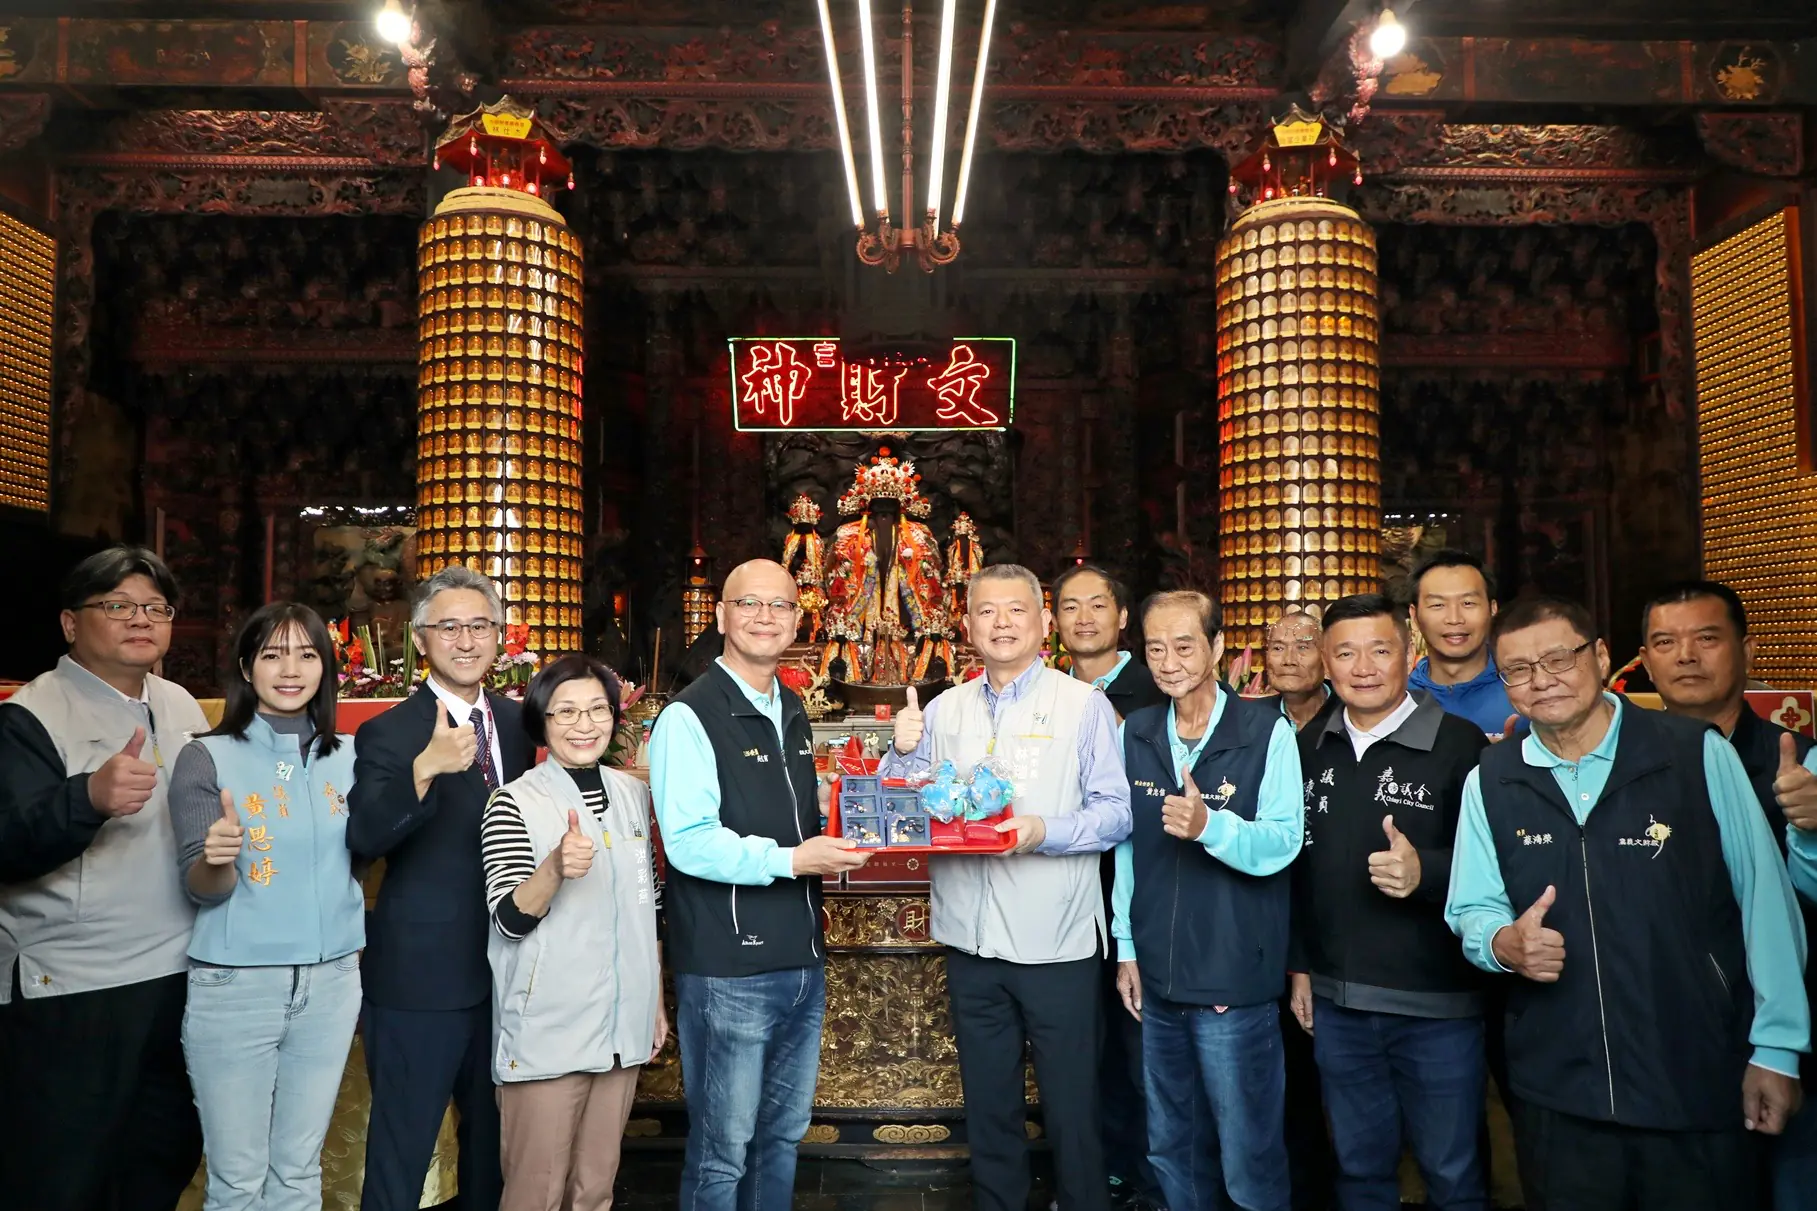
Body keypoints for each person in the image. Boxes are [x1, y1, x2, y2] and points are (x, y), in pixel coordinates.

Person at [1446, 595, 1810, 1210]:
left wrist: (1778, 1050)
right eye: (1518, 670)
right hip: (1558, 1090)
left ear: (1601, 657)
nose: (1541, 680)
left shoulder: (1693, 753)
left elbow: (1765, 905)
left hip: (1695, 1074)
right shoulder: (1493, 775)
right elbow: (1472, 906)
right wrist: (1503, 943)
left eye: (1558, 659)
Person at [884, 564, 1132, 1211]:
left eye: (1016, 610)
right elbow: (896, 806)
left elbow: (1117, 813)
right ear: (967, 624)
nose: (1001, 623)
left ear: (1043, 623)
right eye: (987, 611)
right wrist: (902, 752)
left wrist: (1044, 830)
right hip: (972, 941)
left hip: (1057, 942)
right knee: (989, 1107)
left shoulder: (1082, 705)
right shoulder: (943, 708)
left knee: (1072, 1107)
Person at [648, 559, 871, 1211]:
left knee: (781, 1138)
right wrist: (794, 859)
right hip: (729, 967)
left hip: (800, 959)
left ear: (797, 621)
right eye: (749, 603)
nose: (765, 617)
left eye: (780, 606)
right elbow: (689, 842)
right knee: (723, 1150)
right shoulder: (689, 716)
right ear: (721, 615)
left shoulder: (791, 707)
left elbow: (791, 810)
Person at [0, 545, 210, 1211]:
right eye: (117, 605)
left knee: (160, 1160)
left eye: (155, 607)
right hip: (74, 985)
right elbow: (8, 842)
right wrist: (86, 797)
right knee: (62, 1176)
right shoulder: (30, 715)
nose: (140, 619)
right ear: (71, 623)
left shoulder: (180, 704)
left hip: (176, 973)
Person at [1288, 594, 1490, 1211]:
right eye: (1345, 653)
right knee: (1358, 1171)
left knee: (1452, 1173)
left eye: (1380, 650)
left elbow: (1501, 864)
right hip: (1338, 1002)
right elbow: (1293, 867)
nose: (1364, 667)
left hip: (1437, 1003)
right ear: (1325, 662)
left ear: (1410, 652)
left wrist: (1427, 871)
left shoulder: (1461, 745)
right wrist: (1301, 966)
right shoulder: (1307, 746)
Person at [348, 565, 535, 1211]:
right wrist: (423, 770)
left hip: (509, 974)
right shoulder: (389, 731)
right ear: (420, 637)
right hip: (421, 980)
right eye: (448, 626)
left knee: (493, 1153)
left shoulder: (519, 722)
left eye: (479, 625)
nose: (466, 640)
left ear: (499, 636)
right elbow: (364, 836)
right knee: (401, 1151)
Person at [1111, 590, 1304, 1211]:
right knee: (1171, 1143)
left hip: (1232, 975)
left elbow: (1283, 841)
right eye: (1155, 649)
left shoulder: (1265, 730)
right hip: (1157, 975)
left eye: (1184, 646)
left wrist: (1209, 827)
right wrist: (1127, 947)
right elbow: (1128, 848)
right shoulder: (1138, 731)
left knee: (1248, 1149)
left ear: (1218, 647)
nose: (1169, 662)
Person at [171, 602, 365, 1211]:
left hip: (332, 982)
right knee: (237, 1183)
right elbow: (201, 888)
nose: (291, 670)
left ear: (326, 667)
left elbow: (366, 853)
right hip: (238, 986)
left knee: (299, 1174)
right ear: (245, 666)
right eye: (273, 654)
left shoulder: (352, 755)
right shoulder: (206, 756)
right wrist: (217, 858)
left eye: (307, 654)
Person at [1638, 579, 1817, 1208]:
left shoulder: (1800, 762)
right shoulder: (1622, 767)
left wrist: (1813, 831)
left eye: (1707, 638)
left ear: (1747, 650)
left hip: (1790, 1036)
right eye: (1666, 642)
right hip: (1670, 1043)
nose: (1686, 656)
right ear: (1644, 660)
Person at [482, 655, 665, 1211]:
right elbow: (508, 918)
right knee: (535, 1194)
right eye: (566, 712)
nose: (584, 725)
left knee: (594, 1191)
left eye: (597, 710)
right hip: (549, 1030)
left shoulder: (633, 795)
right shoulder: (513, 802)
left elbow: (650, 905)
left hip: (623, 1027)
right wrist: (555, 868)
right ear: (541, 722)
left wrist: (655, 1002)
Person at [1054, 561, 1166, 1211]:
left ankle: (1156, 1180)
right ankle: (1109, 1174)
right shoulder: (1046, 692)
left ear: (1123, 617)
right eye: (1070, 606)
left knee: (1140, 1041)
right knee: (1086, 1044)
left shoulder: (1154, 688)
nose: (1085, 617)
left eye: (1098, 604)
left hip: (1136, 892)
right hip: (1067, 895)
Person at [1406, 549, 1515, 738]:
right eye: (1438, 605)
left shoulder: (1524, 689)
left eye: (1468, 603)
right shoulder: (1397, 698)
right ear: (1414, 617)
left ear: (1492, 609)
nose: (1454, 619)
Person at [1263, 607, 1336, 732]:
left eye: (1302, 647)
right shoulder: (1250, 718)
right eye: (1278, 648)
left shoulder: (1350, 714)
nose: (1288, 660)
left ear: (1326, 658)